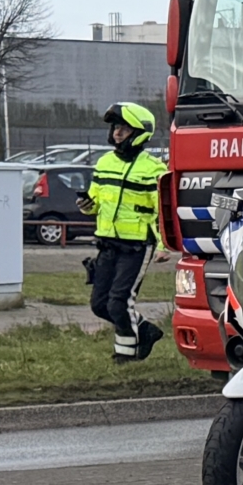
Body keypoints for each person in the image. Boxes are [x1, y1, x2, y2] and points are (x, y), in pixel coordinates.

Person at [79, 102, 169, 362]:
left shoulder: (154, 169)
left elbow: (163, 212)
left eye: (124, 128)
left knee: (119, 303)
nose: (117, 133)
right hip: (107, 244)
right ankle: (146, 330)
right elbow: (95, 203)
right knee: (100, 305)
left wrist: (164, 246)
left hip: (137, 246)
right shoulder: (105, 162)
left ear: (139, 133)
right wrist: (87, 206)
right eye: (115, 127)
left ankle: (125, 357)